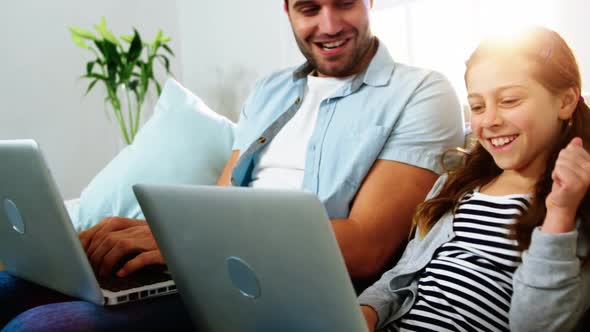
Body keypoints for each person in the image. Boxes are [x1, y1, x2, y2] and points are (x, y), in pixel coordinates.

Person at [0, 0, 464, 330]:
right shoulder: (271, 90)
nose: (328, 24)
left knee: (43, 325)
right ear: (286, 10)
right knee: (9, 283)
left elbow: (368, 248)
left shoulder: (420, 92)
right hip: (210, 265)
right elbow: (220, 202)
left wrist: (182, 242)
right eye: (308, 8)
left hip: (286, 288)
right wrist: (164, 239)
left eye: (344, 3)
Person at [359, 26, 590, 332]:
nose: (490, 120)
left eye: (509, 100)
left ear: (565, 102)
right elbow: (404, 274)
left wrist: (560, 213)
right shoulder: (457, 186)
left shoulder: (575, 206)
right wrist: (367, 310)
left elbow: (539, 325)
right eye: (478, 106)